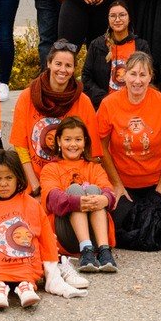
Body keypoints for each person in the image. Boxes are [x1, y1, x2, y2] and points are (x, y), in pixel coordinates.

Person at [89, 52, 161, 245]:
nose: (137, 80)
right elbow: (102, 146)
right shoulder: (109, 104)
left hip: (154, 181)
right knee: (114, 229)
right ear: (123, 75)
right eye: (133, 74)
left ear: (150, 76)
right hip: (123, 181)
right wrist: (115, 184)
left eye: (143, 75)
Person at [0, 150, 70, 307]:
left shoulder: (31, 204)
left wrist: (52, 272)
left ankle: (26, 286)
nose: (3, 183)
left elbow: (46, 238)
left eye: (9, 178)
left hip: (28, 267)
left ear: (18, 178)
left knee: (28, 269)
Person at [39, 117, 119, 273]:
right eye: (67, 139)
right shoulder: (50, 169)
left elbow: (110, 193)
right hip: (67, 236)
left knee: (95, 189)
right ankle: (86, 250)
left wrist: (104, 199)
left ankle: (104, 251)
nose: (73, 144)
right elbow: (52, 200)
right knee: (75, 189)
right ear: (59, 142)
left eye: (78, 139)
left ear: (85, 142)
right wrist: (78, 202)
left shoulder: (94, 167)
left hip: (97, 234)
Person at [11, 42, 95, 186]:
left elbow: (91, 150)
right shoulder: (28, 97)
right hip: (34, 182)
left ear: (74, 69)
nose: (63, 70)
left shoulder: (83, 101)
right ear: (49, 63)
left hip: (73, 182)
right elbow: (20, 146)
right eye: (58, 64)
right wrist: (35, 186)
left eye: (68, 65)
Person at [80, 0, 142, 104]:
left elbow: (147, 75)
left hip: (133, 103)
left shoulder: (140, 45)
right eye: (113, 16)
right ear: (108, 19)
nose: (117, 19)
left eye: (122, 15)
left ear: (129, 18)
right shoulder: (97, 45)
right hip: (103, 104)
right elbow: (86, 77)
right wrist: (105, 99)